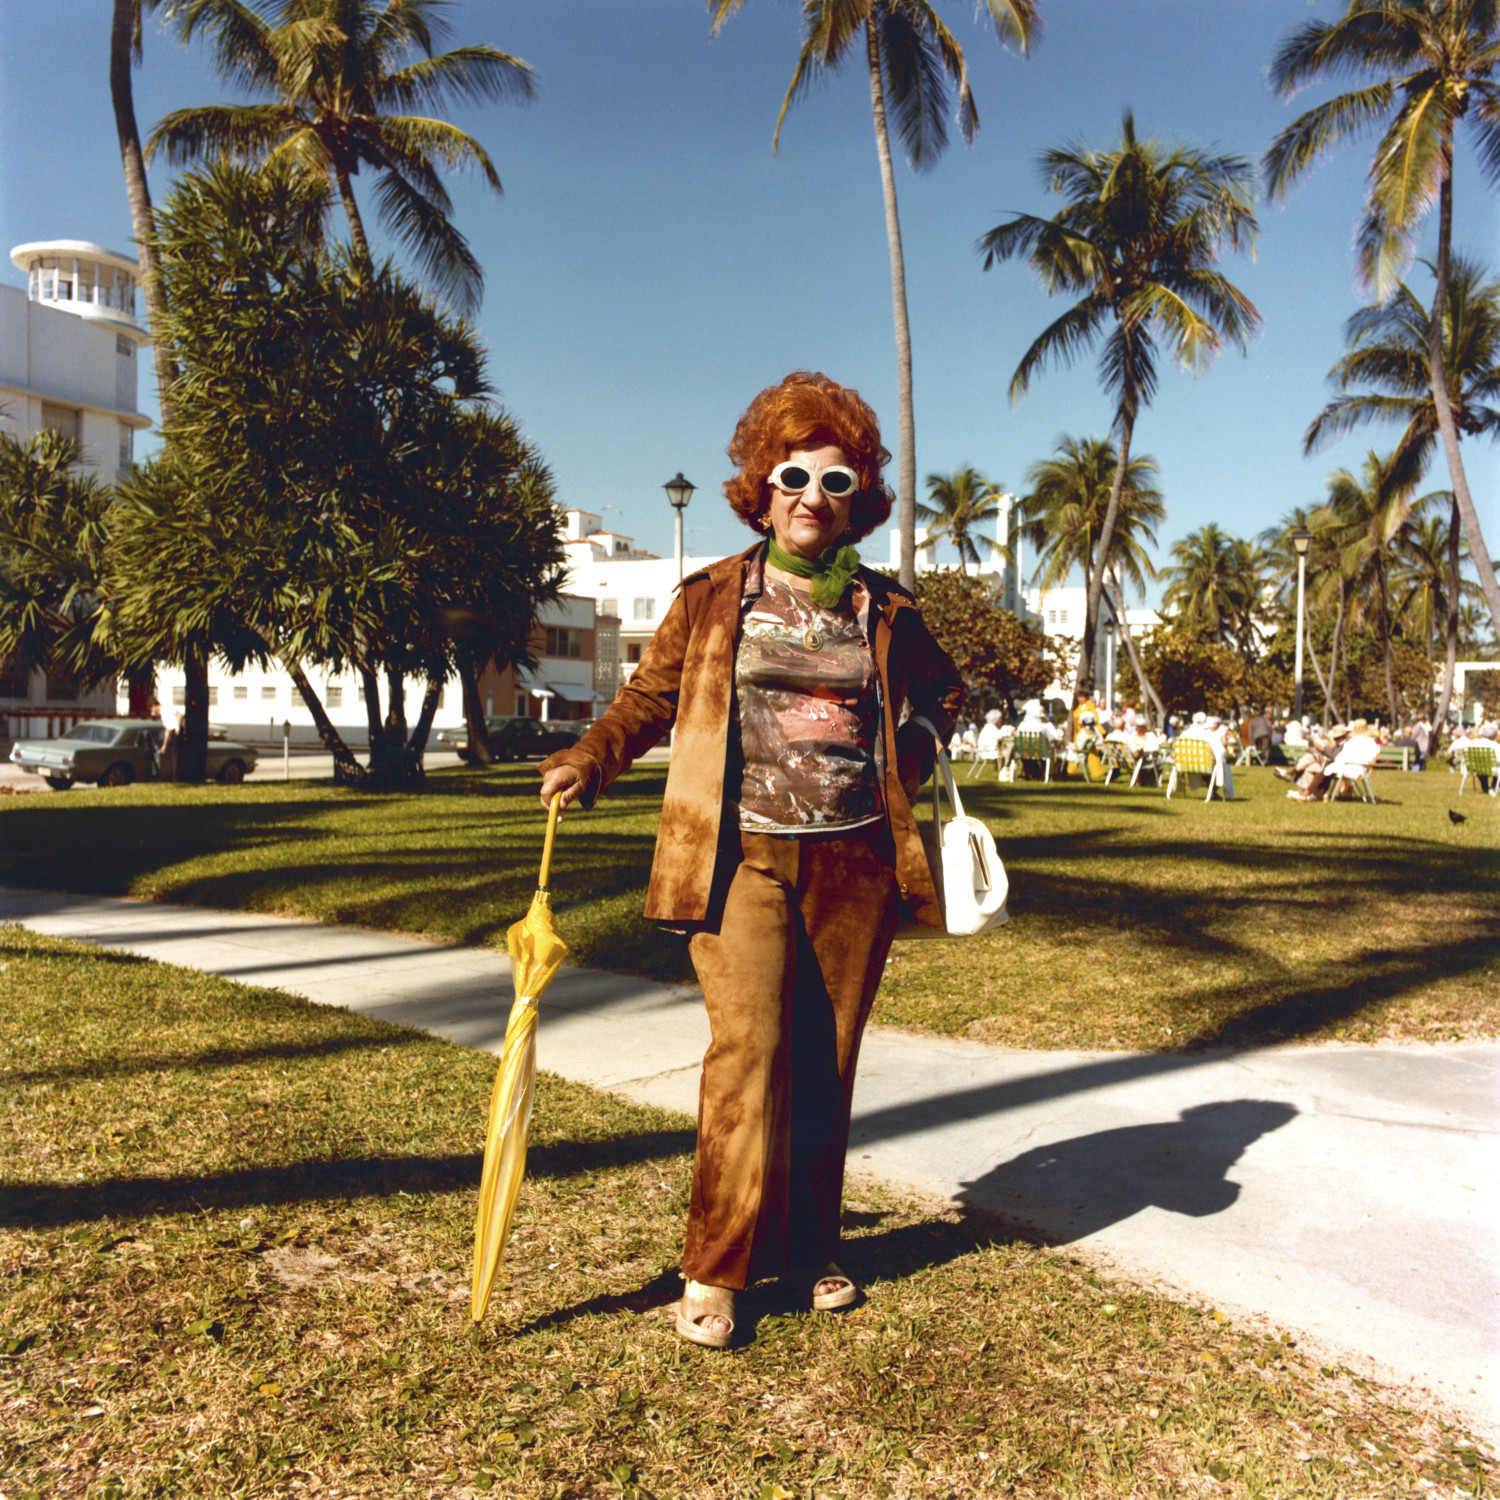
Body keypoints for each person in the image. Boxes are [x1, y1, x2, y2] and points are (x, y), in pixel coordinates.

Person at [536, 371, 963, 1350]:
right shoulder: (713, 596)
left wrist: (915, 740)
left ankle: (812, 1249)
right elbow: (646, 701)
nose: (814, 496)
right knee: (748, 1053)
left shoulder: (885, 610)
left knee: (827, 1062)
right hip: (743, 860)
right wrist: (586, 761)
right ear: (761, 490)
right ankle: (715, 1266)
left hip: (855, 863)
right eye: (795, 476)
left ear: (861, 498)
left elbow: (945, 693)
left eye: (838, 481)